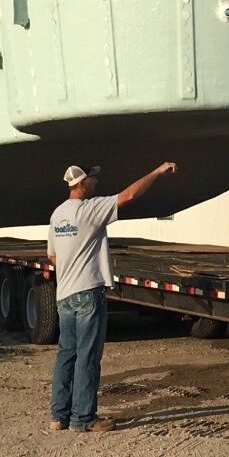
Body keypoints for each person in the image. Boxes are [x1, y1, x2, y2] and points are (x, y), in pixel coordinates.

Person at [47, 160, 176, 432]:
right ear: (81, 183)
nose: (96, 182)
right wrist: (156, 171)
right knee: (88, 356)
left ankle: (58, 417)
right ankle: (83, 419)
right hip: (87, 293)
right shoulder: (89, 210)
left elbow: (52, 255)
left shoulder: (58, 214)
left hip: (64, 294)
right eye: (92, 179)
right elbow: (129, 195)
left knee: (66, 354)